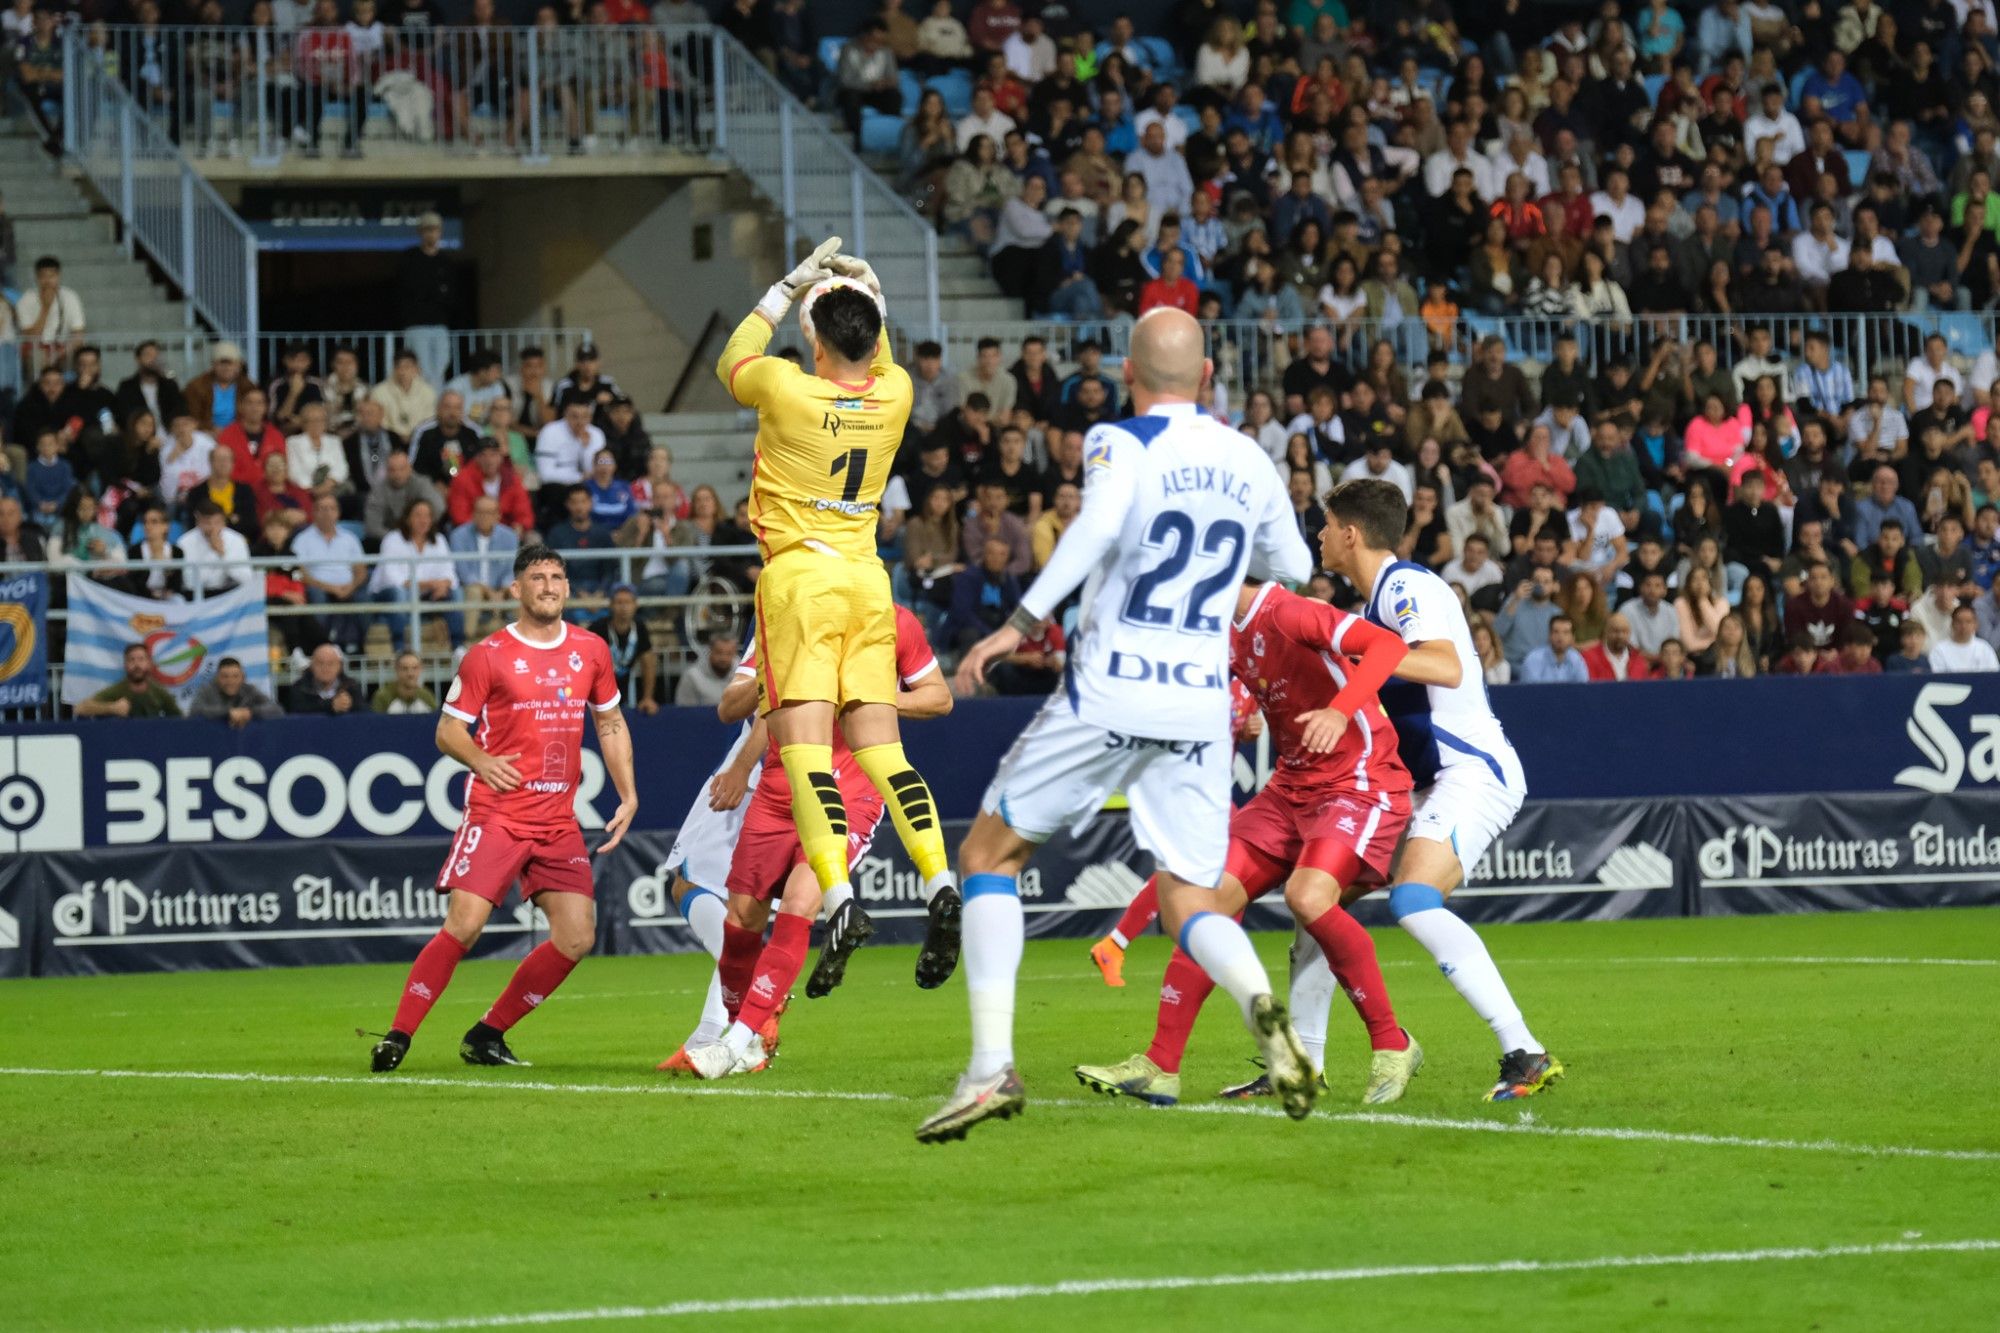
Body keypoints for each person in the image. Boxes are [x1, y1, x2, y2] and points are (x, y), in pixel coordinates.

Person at [923, 307, 1315, 1141]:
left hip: (1112, 685)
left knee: (989, 853)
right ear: (1208, 375)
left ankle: (991, 1068)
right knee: (1188, 894)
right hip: (1201, 703)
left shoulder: (1118, 440)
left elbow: (1099, 525)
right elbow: (1299, 566)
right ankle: (1263, 1016)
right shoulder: (1249, 457)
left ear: (1129, 374)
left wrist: (1017, 625)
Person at [711, 239, 959, 1044]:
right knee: (884, 754)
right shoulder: (894, 392)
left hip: (800, 582)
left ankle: (841, 895)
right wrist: (866, 292)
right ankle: (938, 880)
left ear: (815, 340)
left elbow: (733, 359)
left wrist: (790, 286)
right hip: (868, 579)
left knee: (808, 756)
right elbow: (868, 345)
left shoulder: (786, 387)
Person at [1075, 578, 1420, 1108]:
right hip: (1290, 788)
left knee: (1307, 898)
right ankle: (1160, 1066)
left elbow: (1388, 645)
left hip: (1357, 781)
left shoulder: (1289, 612)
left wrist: (1339, 709)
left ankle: (1392, 1044)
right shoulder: (1220, 632)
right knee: (1203, 909)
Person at [1316, 479, 1563, 1101]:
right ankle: (1299, 1063)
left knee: (1413, 900)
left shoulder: (1407, 586)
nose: (1317, 536)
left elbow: (1445, 665)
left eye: (1324, 525)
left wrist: (1360, 657)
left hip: (1469, 770)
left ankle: (1524, 1051)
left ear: (1350, 533)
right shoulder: (1374, 608)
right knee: (1316, 900)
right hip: (1421, 784)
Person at [369, 545, 637, 1072]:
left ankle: (488, 1033)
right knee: (465, 924)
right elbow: (448, 730)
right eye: (537, 578)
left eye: (557, 576)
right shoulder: (487, 654)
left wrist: (628, 793)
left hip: (558, 818)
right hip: (499, 812)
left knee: (578, 935)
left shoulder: (592, 650)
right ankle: (398, 1035)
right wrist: (481, 760)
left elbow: (609, 722)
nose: (549, 586)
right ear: (516, 590)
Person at [677, 604, 951, 1078]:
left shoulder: (891, 617)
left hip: (849, 792)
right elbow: (732, 706)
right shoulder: (782, 615)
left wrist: (878, 700)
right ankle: (754, 1030)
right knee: (740, 920)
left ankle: (734, 1041)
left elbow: (940, 698)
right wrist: (774, 679)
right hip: (780, 788)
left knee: (799, 906)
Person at [588, 583, 659, 713]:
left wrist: (648, 697)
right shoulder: (598, 628)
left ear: (636, 605)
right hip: (595, 695)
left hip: (621, 694)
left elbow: (648, 662)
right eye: (619, 602)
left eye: (628, 602)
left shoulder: (639, 627)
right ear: (611, 605)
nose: (624, 607)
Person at [74, 642, 181, 718]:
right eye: (132, 660)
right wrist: (112, 708)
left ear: (149, 664)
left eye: (141, 659)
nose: (137, 665)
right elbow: (80, 708)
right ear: (125, 665)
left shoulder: (159, 692)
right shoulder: (117, 690)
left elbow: (179, 719)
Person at [188, 655, 283, 726]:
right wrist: (229, 713)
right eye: (225, 676)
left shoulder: (249, 690)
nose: (230, 681)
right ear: (217, 678)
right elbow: (195, 711)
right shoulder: (207, 689)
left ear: (243, 677)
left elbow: (276, 709)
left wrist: (250, 712)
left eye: (235, 676)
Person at [287, 643, 365, 715]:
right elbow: (298, 709)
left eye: (330, 663)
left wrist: (348, 705)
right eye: (320, 663)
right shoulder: (299, 688)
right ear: (312, 666)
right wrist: (331, 705)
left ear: (339, 666)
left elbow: (363, 713)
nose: (325, 668)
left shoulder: (351, 687)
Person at [1931, 604, 2000, 672]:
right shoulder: (1939, 649)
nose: (1963, 626)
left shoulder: (1985, 649)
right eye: (1959, 621)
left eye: (1968, 622)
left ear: (1975, 624)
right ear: (1952, 624)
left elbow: (1994, 676)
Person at [371, 651, 438, 713]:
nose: (410, 674)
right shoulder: (383, 697)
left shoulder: (426, 696)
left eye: (415, 668)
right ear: (396, 670)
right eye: (405, 669)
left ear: (420, 669)